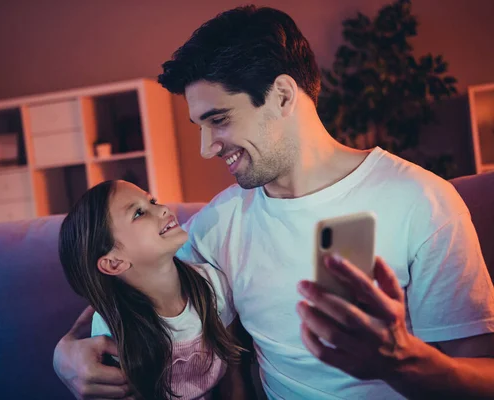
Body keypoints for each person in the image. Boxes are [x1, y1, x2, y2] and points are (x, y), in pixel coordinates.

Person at [53, 5, 494, 399]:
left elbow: (483, 375)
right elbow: (132, 280)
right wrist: (67, 351)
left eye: (219, 119)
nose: (207, 147)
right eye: (199, 127)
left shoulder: (422, 201)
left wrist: (400, 361)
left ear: (282, 96)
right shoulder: (219, 224)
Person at [57, 179, 256, 400]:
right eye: (139, 213)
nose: (162, 209)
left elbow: (234, 373)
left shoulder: (213, 285)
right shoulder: (111, 328)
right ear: (114, 263)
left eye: (152, 201)